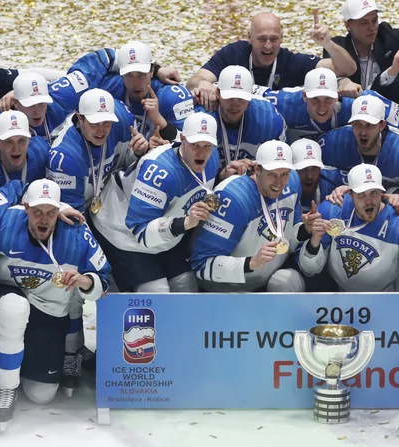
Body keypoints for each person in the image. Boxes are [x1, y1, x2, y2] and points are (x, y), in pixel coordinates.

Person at [0, 179, 110, 431]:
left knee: (41, 394)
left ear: (59, 211)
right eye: (37, 211)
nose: (44, 219)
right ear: (25, 208)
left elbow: (104, 279)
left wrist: (85, 281)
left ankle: (25, 359)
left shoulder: (77, 233)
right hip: (8, 298)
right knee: (13, 309)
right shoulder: (6, 223)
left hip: (46, 309)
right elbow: (12, 186)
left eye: (51, 212)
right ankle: (6, 388)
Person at [88, 112, 220, 293]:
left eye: (207, 145)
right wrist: (186, 222)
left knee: (185, 285)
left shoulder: (212, 159)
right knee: (157, 291)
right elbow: (141, 232)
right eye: (195, 145)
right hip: (121, 229)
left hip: (167, 226)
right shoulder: (158, 171)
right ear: (182, 140)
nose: (201, 152)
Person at [298, 163, 399, 291]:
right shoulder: (332, 210)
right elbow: (309, 270)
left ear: (382, 193)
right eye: (361, 194)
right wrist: (314, 242)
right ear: (350, 194)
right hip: (337, 293)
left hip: (386, 298)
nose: (369, 201)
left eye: (373, 193)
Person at [191, 140, 306, 292]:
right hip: (228, 287)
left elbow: (289, 236)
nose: (279, 182)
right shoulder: (232, 198)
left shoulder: (292, 182)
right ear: (257, 169)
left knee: (287, 280)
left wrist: (306, 230)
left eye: (284, 174)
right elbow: (201, 265)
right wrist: (250, 263)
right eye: (272, 174)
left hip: (265, 277)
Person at [188, 11, 356, 110]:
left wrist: (327, 44)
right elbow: (194, 80)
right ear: (250, 38)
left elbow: (346, 69)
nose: (268, 46)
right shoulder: (233, 54)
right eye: (262, 39)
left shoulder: (290, 61)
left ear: (282, 39)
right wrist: (203, 85)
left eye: (274, 39)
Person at [65, 42, 196, 142]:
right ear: (121, 73)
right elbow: (77, 78)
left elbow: (191, 142)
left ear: (152, 71)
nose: (135, 83)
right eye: (129, 75)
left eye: (141, 75)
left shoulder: (172, 95)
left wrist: (159, 120)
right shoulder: (109, 88)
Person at [47, 88, 146, 212]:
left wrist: (139, 153)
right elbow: (70, 217)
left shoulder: (124, 121)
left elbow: (127, 163)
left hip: (110, 200)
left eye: (106, 122)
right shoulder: (66, 157)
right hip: (81, 209)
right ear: (80, 118)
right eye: (94, 123)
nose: (101, 130)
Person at [255, 67, 399, 143]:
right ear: (304, 96)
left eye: (328, 99)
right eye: (315, 99)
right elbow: (251, 90)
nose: (322, 106)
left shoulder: (361, 103)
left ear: (337, 96)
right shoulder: (285, 102)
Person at [317, 95, 399, 190]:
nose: (363, 132)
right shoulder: (335, 142)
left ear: (381, 125)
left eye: (369, 125)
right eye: (357, 124)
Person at [331, 0, 399, 92]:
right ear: (348, 25)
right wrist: (342, 81)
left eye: (374, 21)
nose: (371, 28)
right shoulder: (337, 47)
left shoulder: (389, 39)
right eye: (364, 22)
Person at [207, 66, 286, 167]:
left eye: (241, 99)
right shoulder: (201, 115)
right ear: (217, 93)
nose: (235, 105)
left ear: (250, 96)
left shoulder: (268, 118)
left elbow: (281, 166)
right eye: (230, 97)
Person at [5, 72, 70, 145]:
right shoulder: (3, 122)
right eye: (30, 105)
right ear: (16, 102)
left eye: (41, 103)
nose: (37, 111)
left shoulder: (64, 96)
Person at [290, 138, 345, 213]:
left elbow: (362, 183)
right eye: (303, 169)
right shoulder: (280, 187)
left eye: (314, 168)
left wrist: (344, 189)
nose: (309, 175)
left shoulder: (333, 177)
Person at [0, 111, 49, 187]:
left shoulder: (42, 151)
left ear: (29, 140)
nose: (16, 148)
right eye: (8, 141)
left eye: (21, 140)